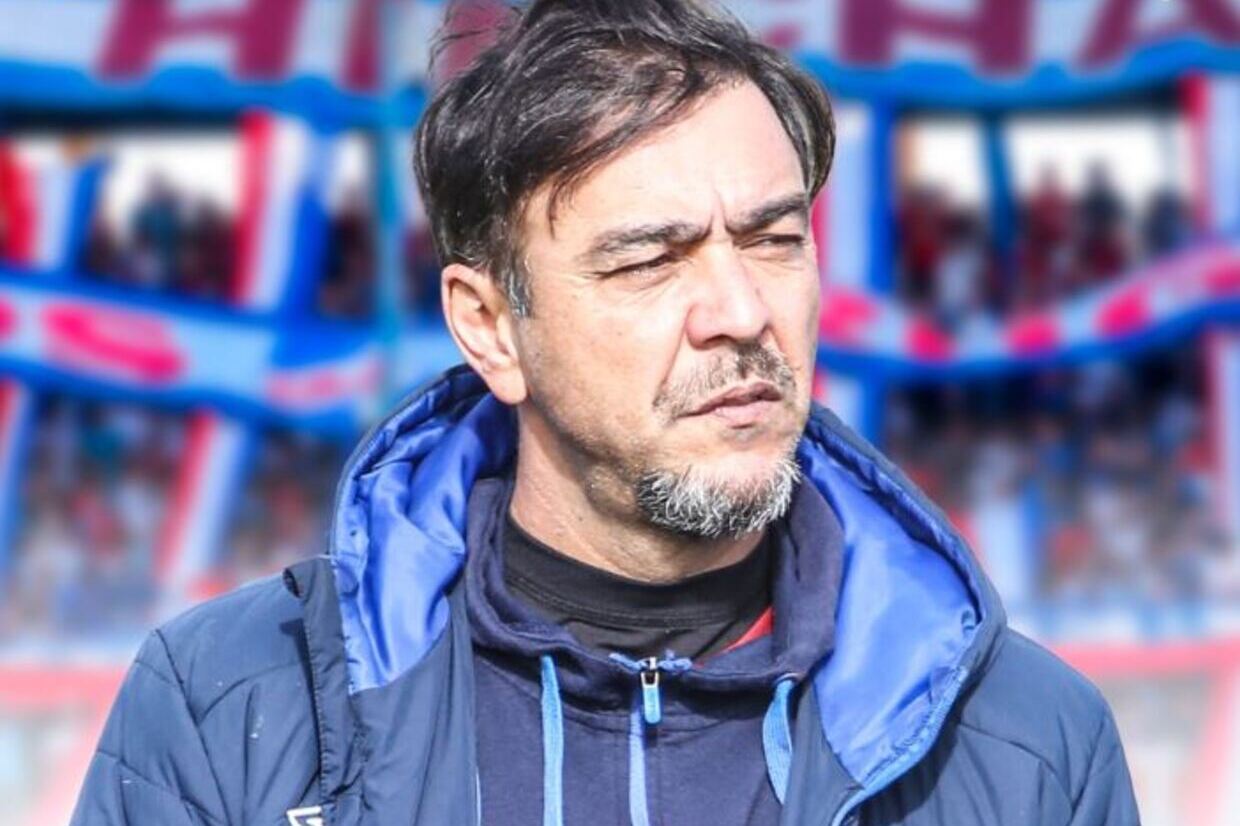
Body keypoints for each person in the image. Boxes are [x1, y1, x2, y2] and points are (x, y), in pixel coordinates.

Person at [71, 1, 1140, 824]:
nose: (740, 313)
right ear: (491, 327)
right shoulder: (231, 706)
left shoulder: (1025, 743)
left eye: (774, 240)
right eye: (647, 261)